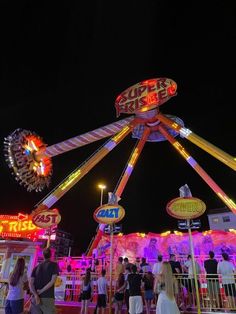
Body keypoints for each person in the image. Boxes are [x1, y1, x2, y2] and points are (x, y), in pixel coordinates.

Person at [29, 247, 60, 314]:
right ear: (51, 255)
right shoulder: (54, 265)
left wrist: (36, 294)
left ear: (43, 255)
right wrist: (41, 291)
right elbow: (52, 281)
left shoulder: (36, 267)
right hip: (47, 297)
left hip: (35, 298)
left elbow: (31, 283)